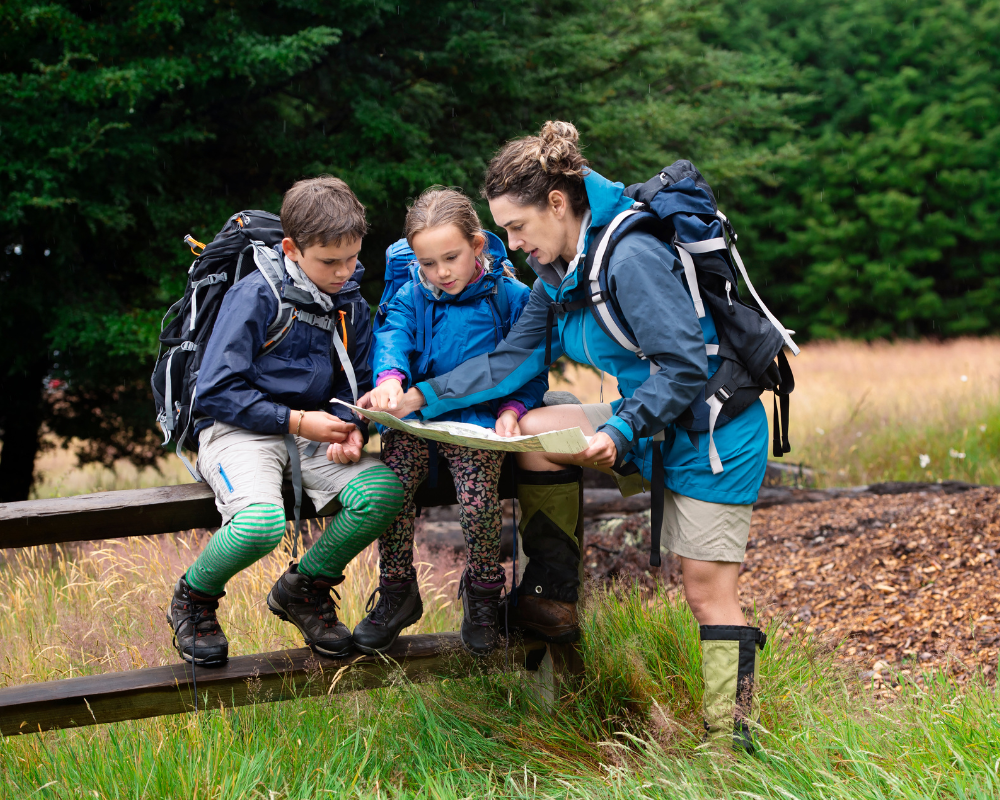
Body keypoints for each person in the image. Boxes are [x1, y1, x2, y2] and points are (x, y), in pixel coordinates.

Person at [368, 123, 770, 750]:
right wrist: (421, 396)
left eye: (517, 226)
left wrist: (623, 426)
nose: (511, 242)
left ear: (557, 203)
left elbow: (687, 364)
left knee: (705, 588)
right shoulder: (556, 269)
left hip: (711, 429)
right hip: (648, 423)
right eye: (504, 230)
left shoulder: (629, 257)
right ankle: (549, 594)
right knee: (533, 426)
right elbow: (513, 359)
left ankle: (730, 738)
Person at [166, 176, 404, 666]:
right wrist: (297, 421)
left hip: (313, 434)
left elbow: (353, 384)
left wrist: (350, 427)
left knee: (383, 492)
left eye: (353, 258)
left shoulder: (351, 303)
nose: (344, 272)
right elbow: (215, 390)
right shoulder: (255, 296)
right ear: (293, 249)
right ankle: (195, 597)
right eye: (329, 262)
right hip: (238, 430)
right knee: (259, 523)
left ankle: (304, 588)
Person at [353, 187, 548, 657]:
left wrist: (513, 409)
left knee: (479, 498)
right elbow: (392, 338)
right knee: (389, 489)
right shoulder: (410, 294)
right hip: (416, 418)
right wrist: (389, 381)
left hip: (475, 422)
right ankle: (398, 590)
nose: (440, 273)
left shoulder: (513, 298)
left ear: (477, 246)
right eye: (427, 263)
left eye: (451, 258)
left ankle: (483, 593)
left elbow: (528, 366)